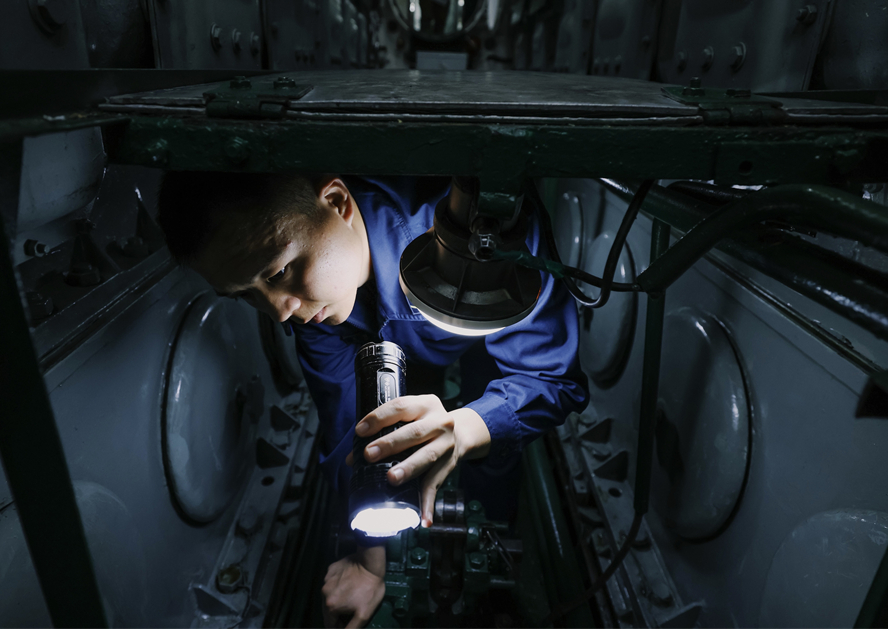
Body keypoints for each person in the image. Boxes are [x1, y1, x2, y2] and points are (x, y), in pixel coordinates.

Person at [157, 172, 587, 628]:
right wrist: (370, 560)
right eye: (246, 295)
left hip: (491, 332)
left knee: (491, 433)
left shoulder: (493, 233)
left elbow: (551, 378)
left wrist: (467, 429)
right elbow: (348, 426)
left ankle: (498, 533)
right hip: (389, 340)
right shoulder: (314, 307)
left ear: (337, 202)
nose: (280, 311)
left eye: (279, 271)